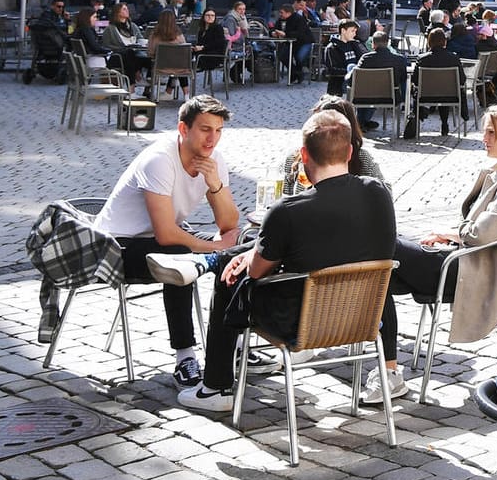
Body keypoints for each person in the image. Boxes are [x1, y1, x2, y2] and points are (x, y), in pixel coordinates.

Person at [157, 109, 398, 412]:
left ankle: (216, 387)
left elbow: (257, 271)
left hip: (300, 322)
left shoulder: (288, 210)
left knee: (232, 280)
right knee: (246, 254)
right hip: (362, 319)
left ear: (304, 155)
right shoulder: (378, 193)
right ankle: (213, 260)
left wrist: (250, 259)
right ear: (349, 152)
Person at [367, 101, 497, 400]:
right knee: (380, 270)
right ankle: (389, 371)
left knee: (384, 246)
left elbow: (478, 233)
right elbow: (477, 231)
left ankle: (383, 370)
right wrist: (450, 235)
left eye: (491, 132)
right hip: (464, 259)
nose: (484, 138)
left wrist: (454, 235)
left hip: (473, 272)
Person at [91, 96, 241, 391]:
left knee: (237, 253)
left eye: (219, 130)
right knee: (181, 253)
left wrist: (215, 185)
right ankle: (185, 358)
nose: (213, 138)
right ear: (183, 129)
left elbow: (229, 225)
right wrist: (214, 247)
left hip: (156, 242)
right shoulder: (160, 159)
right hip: (115, 247)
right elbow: (166, 235)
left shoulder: (215, 161)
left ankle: (234, 348)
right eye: (205, 129)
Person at [412, 28, 467, 137]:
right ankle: (444, 123)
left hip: (425, 97)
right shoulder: (454, 58)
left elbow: (415, 80)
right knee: (444, 89)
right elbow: (462, 79)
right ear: (444, 42)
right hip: (450, 96)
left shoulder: (422, 59)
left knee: (422, 92)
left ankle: (419, 116)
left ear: (429, 41)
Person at [352, 31, 409, 131]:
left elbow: (357, 78)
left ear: (373, 44)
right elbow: (403, 79)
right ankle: (363, 122)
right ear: (388, 43)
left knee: (365, 84)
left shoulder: (366, 58)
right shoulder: (399, 59)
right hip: (391, 97)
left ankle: (361, 122)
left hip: (366, 96)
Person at [103, 2, 150, 94]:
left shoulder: (132, 26)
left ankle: (147, 88)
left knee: (150, 59)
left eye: (127, 8)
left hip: (135, 54)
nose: (127, 10)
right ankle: (133, 85)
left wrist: (140, 44)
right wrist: (122, 48)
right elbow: (106, 45)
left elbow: (140, 39)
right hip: (117, 55)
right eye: (124, 9)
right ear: (117, 12)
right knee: (129, 53)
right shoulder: (110, 28)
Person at [146, 10, 190, 100]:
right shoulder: (178, 34)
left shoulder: (154, 34)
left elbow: (150, 52)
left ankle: (151, 89)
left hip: (160, 67)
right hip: (179, 66)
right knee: (179, 64)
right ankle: (186, 95)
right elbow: (184, 48)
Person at [322, 20, 367, 97]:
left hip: (355, 81)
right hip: (340, 84)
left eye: (355, 31)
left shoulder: (354, 44)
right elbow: (332, 69)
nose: (354, 34)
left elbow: (364, 59)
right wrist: (351, 72)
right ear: (343, 31)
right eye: (352, 31)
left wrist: (358, 46)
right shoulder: (332, 47)